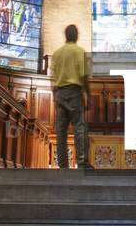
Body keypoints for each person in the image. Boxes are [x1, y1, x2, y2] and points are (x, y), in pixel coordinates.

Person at [50, 24, 92, 169]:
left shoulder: (57, 53)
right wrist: (88, 95)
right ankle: (82, 163)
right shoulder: (79, 51)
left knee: (61, 131)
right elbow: (84, 76)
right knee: (79, 128)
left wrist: (55, 96)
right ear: (76, 36)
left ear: (66, 35)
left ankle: (63, 166)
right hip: (74, 92)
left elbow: (53, 78)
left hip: (60, 92)